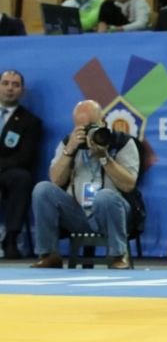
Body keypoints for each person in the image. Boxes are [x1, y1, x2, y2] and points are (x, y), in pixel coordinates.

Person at [31, 100, 139, 269]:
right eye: (82, 129)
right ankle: (49, 254)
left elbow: (128, 185)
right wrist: (69, 151)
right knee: (42, 189)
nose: (88, 133)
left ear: (103, 122)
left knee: (105, 196)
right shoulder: (69, 143)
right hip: (78, 213)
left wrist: (104, 157)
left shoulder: (121, 142)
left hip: (113, 213)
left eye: (91, 127)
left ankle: (119, 255)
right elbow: (56, 180)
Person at [0, 70, 42, 259]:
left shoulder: (30, 122)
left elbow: (25, 157)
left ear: (22, 91)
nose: (10, 88)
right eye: (5, 83)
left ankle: (10, 238)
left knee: (22, 178)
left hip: (7, 173)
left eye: (15, 85)